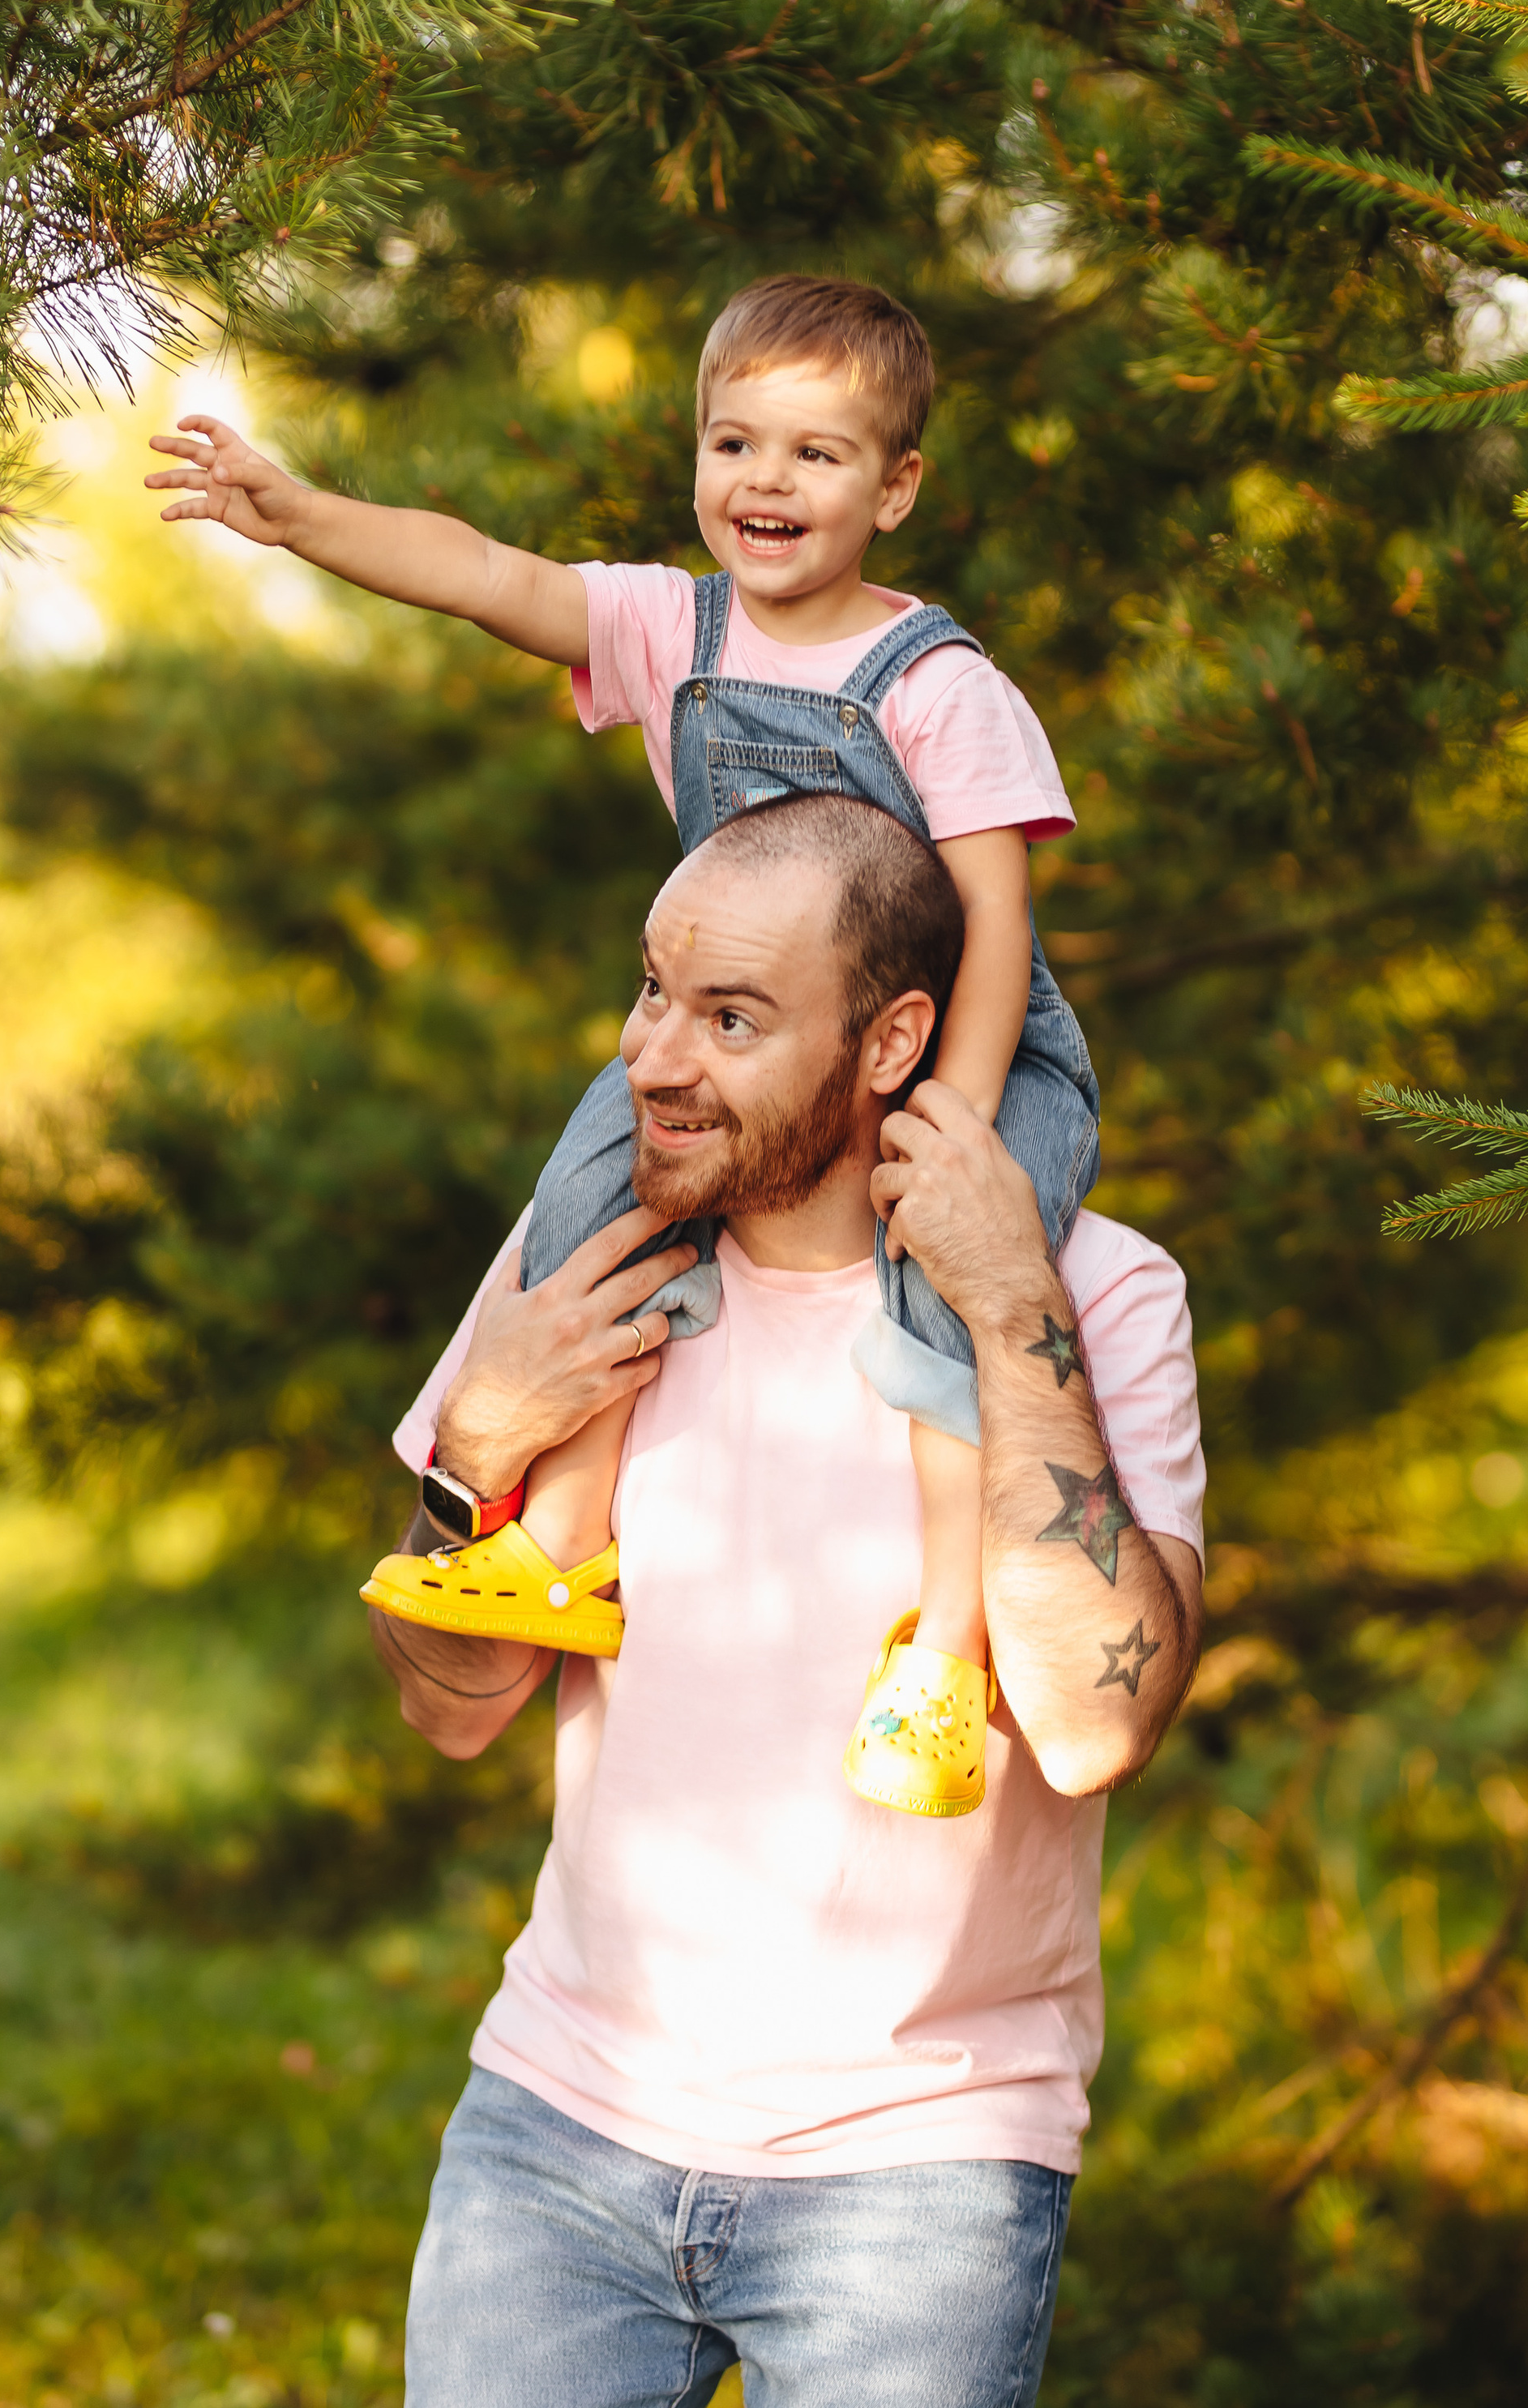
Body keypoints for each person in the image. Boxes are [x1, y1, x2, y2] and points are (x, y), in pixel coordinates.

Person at [145, 276, 1098, 1816]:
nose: (766, 481)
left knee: (949, 1282)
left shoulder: (941, 687)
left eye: (816, 453)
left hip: (964, 1042)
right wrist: (300, 515)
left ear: (896, 487)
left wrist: (959, 1127)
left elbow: (994, 922)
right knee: (594, 1215)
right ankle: (559, 1543)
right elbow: (479, 571)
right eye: (735, 444)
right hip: (735, 1031)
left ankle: (946, 1643)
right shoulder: (674, 626)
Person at [366, 793, 1204, 2408]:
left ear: (890, 1042)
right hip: (558, 2129)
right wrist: (472, 1455)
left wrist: (1007, 1304)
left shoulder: (1097, 1291)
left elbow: (1094, 1723)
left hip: (919, 2167)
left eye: (731, 1020)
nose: (653, 1060)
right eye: (651, 993)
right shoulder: (580, 1266)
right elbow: (451, 1706)